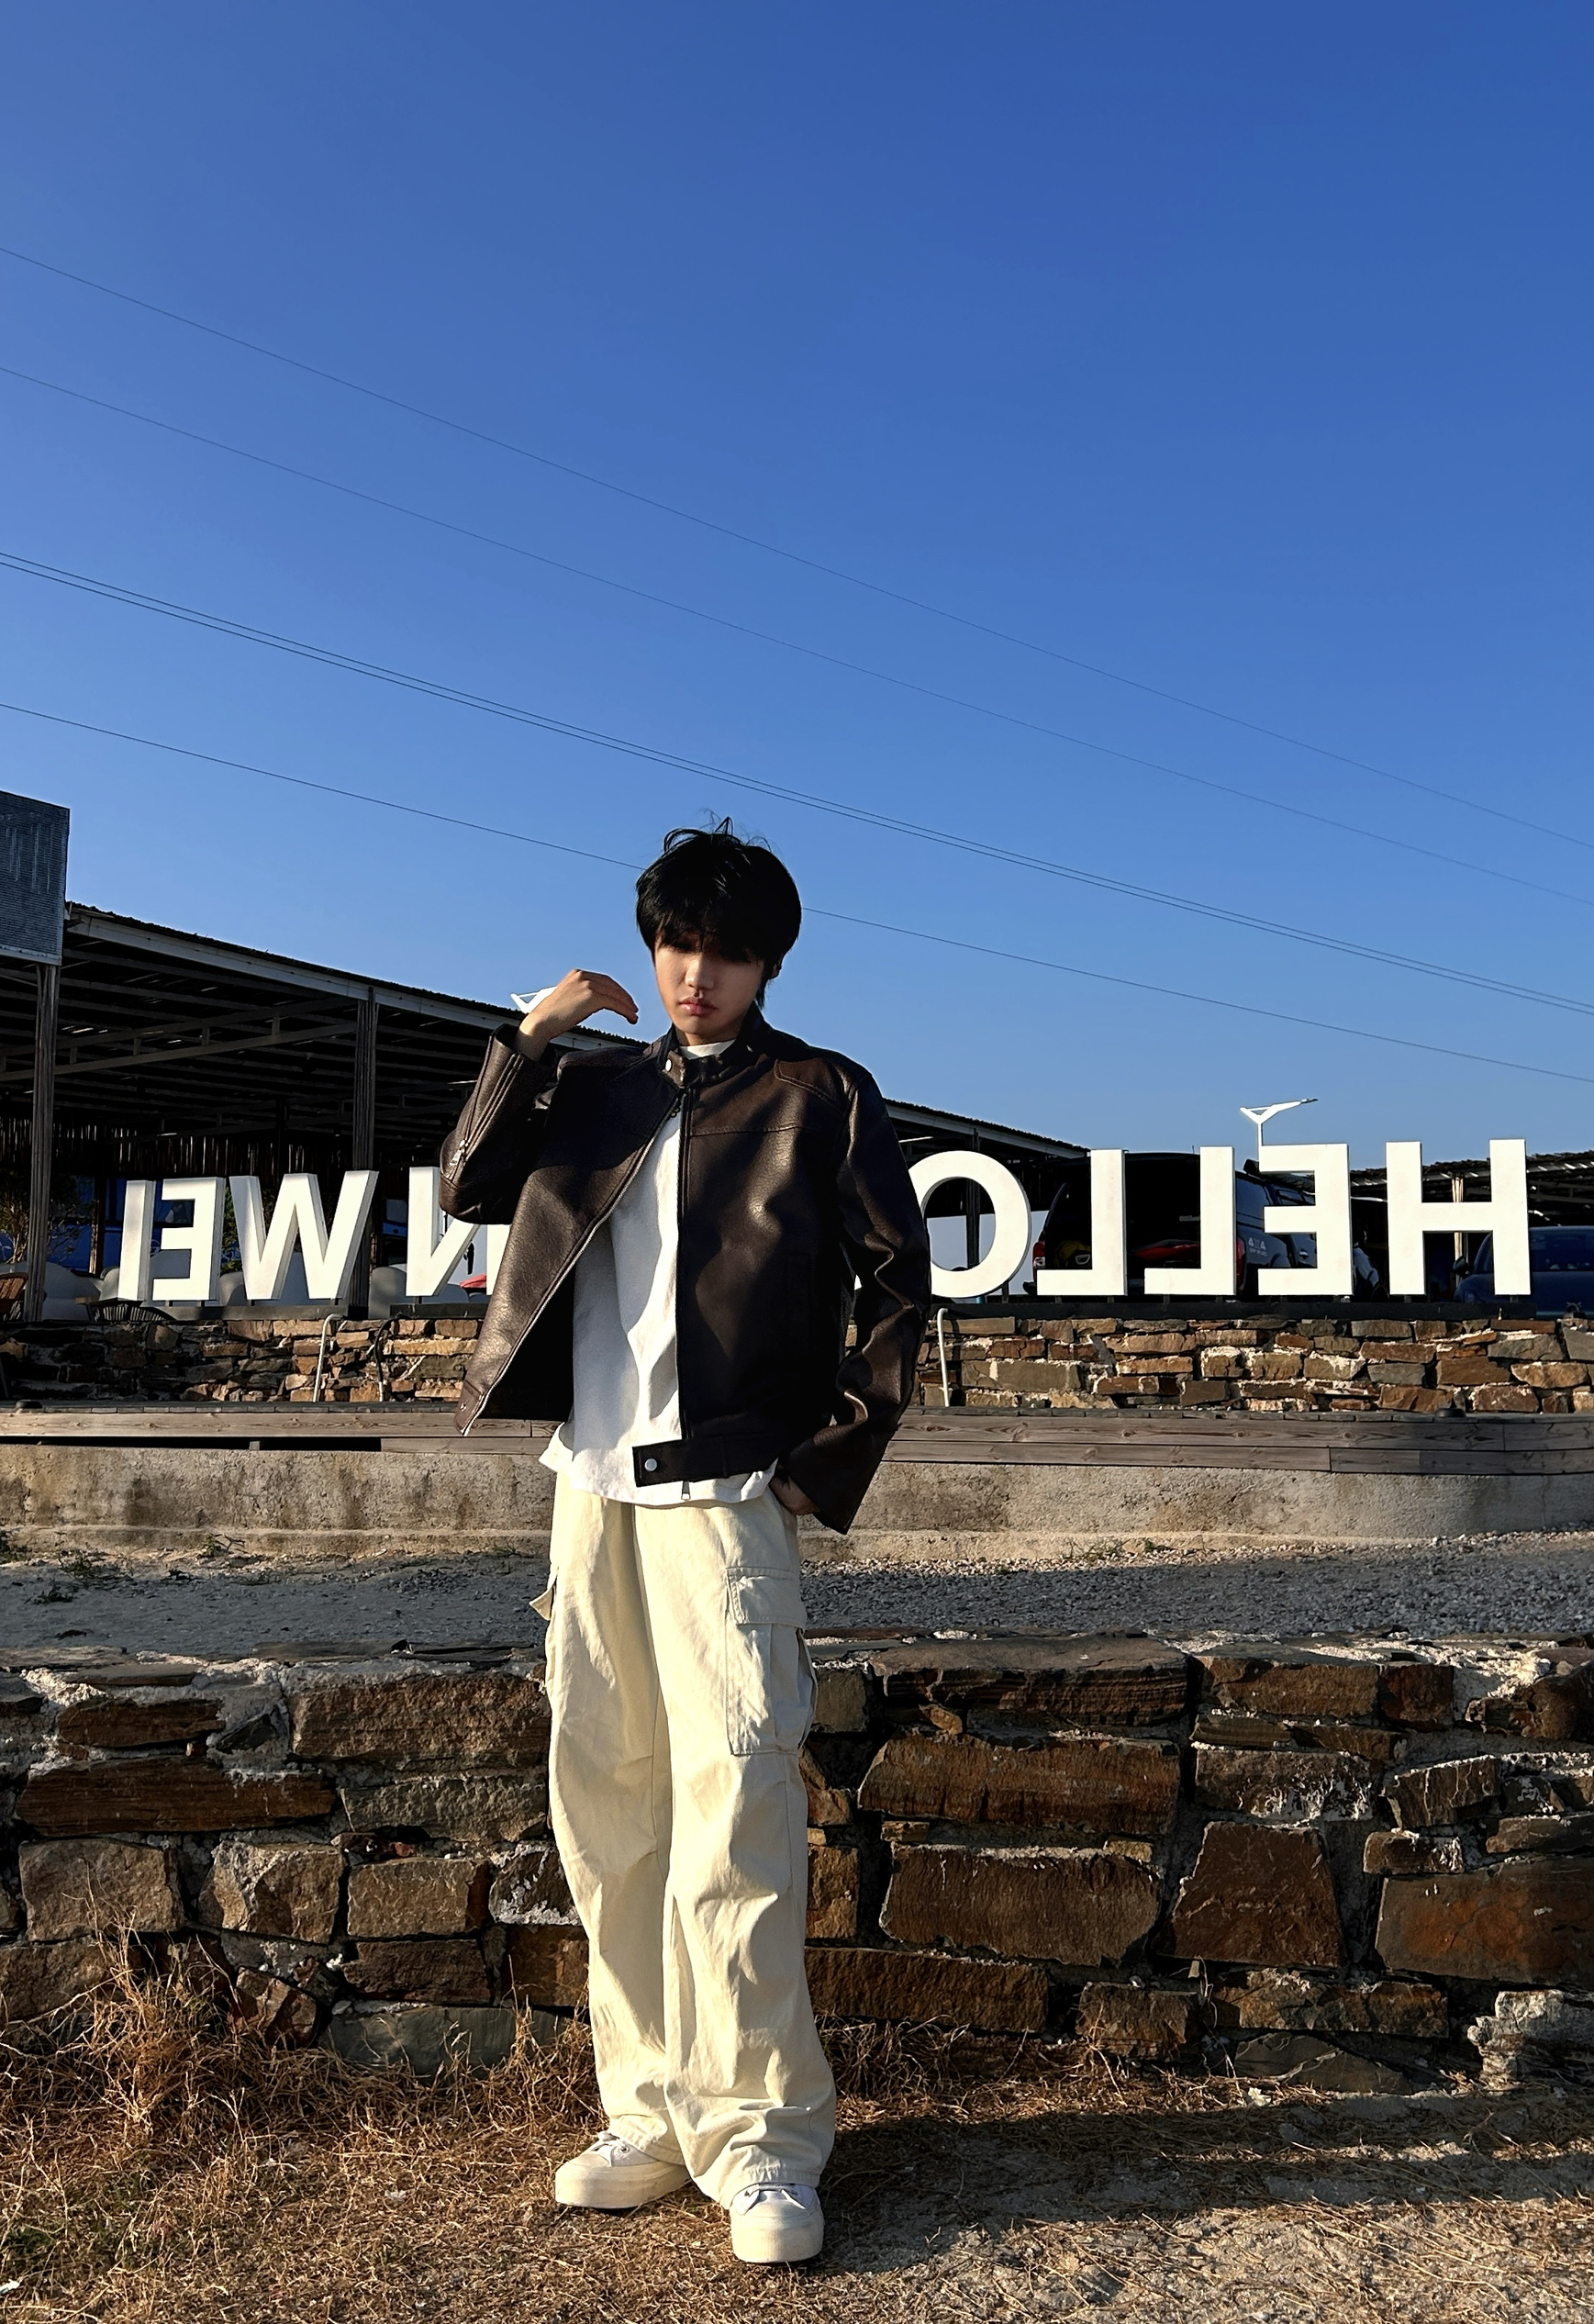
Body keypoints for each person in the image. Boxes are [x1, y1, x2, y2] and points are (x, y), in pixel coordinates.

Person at [440, 821, 930, 2265]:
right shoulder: (593, 1086)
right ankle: (647, 2112)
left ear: (767, 961)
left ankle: (764, 2140)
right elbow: (469, 1186)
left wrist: (820, 1459)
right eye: (675, 944)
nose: (694, 974)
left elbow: (898, 1286)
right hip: (588, 1487)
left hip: (724, 1493)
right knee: (608, 1814)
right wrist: (527, 1039)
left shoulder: (818, 1094)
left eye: (723, 951)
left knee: (736, 1815)